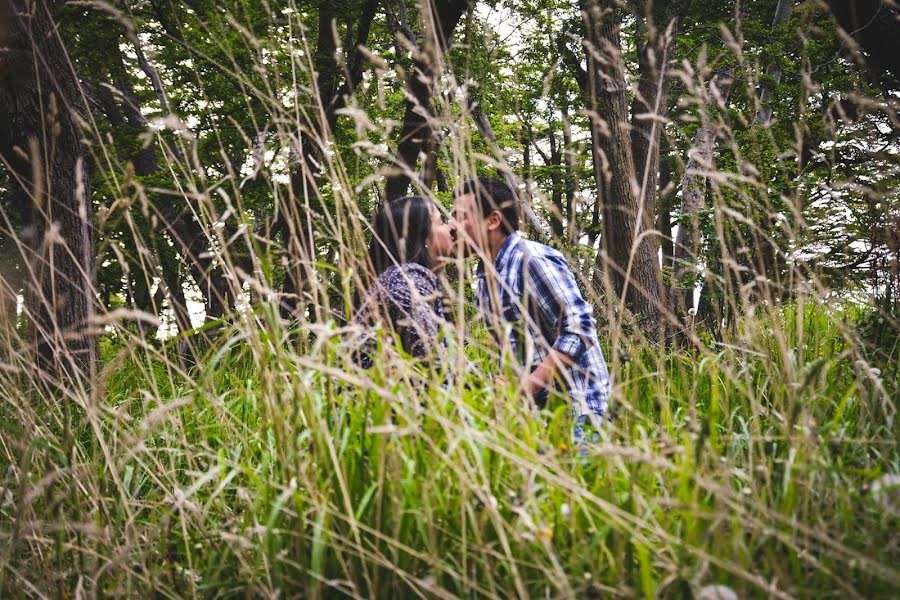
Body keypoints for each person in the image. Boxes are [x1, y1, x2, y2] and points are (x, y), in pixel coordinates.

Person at [449, 176, 610, 441]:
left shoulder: (530, 259)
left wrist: (527, 386)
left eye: (460, 217)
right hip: (536, 421)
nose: (452, 227)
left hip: (579, 410)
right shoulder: (484, 278)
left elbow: (579, 327)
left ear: (492, 220)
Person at [353, 195, 453, 369]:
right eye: (441, 222)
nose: (451, 227)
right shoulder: (408, 285)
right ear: (424, 239)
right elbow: (433, 365)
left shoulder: (400, 279)